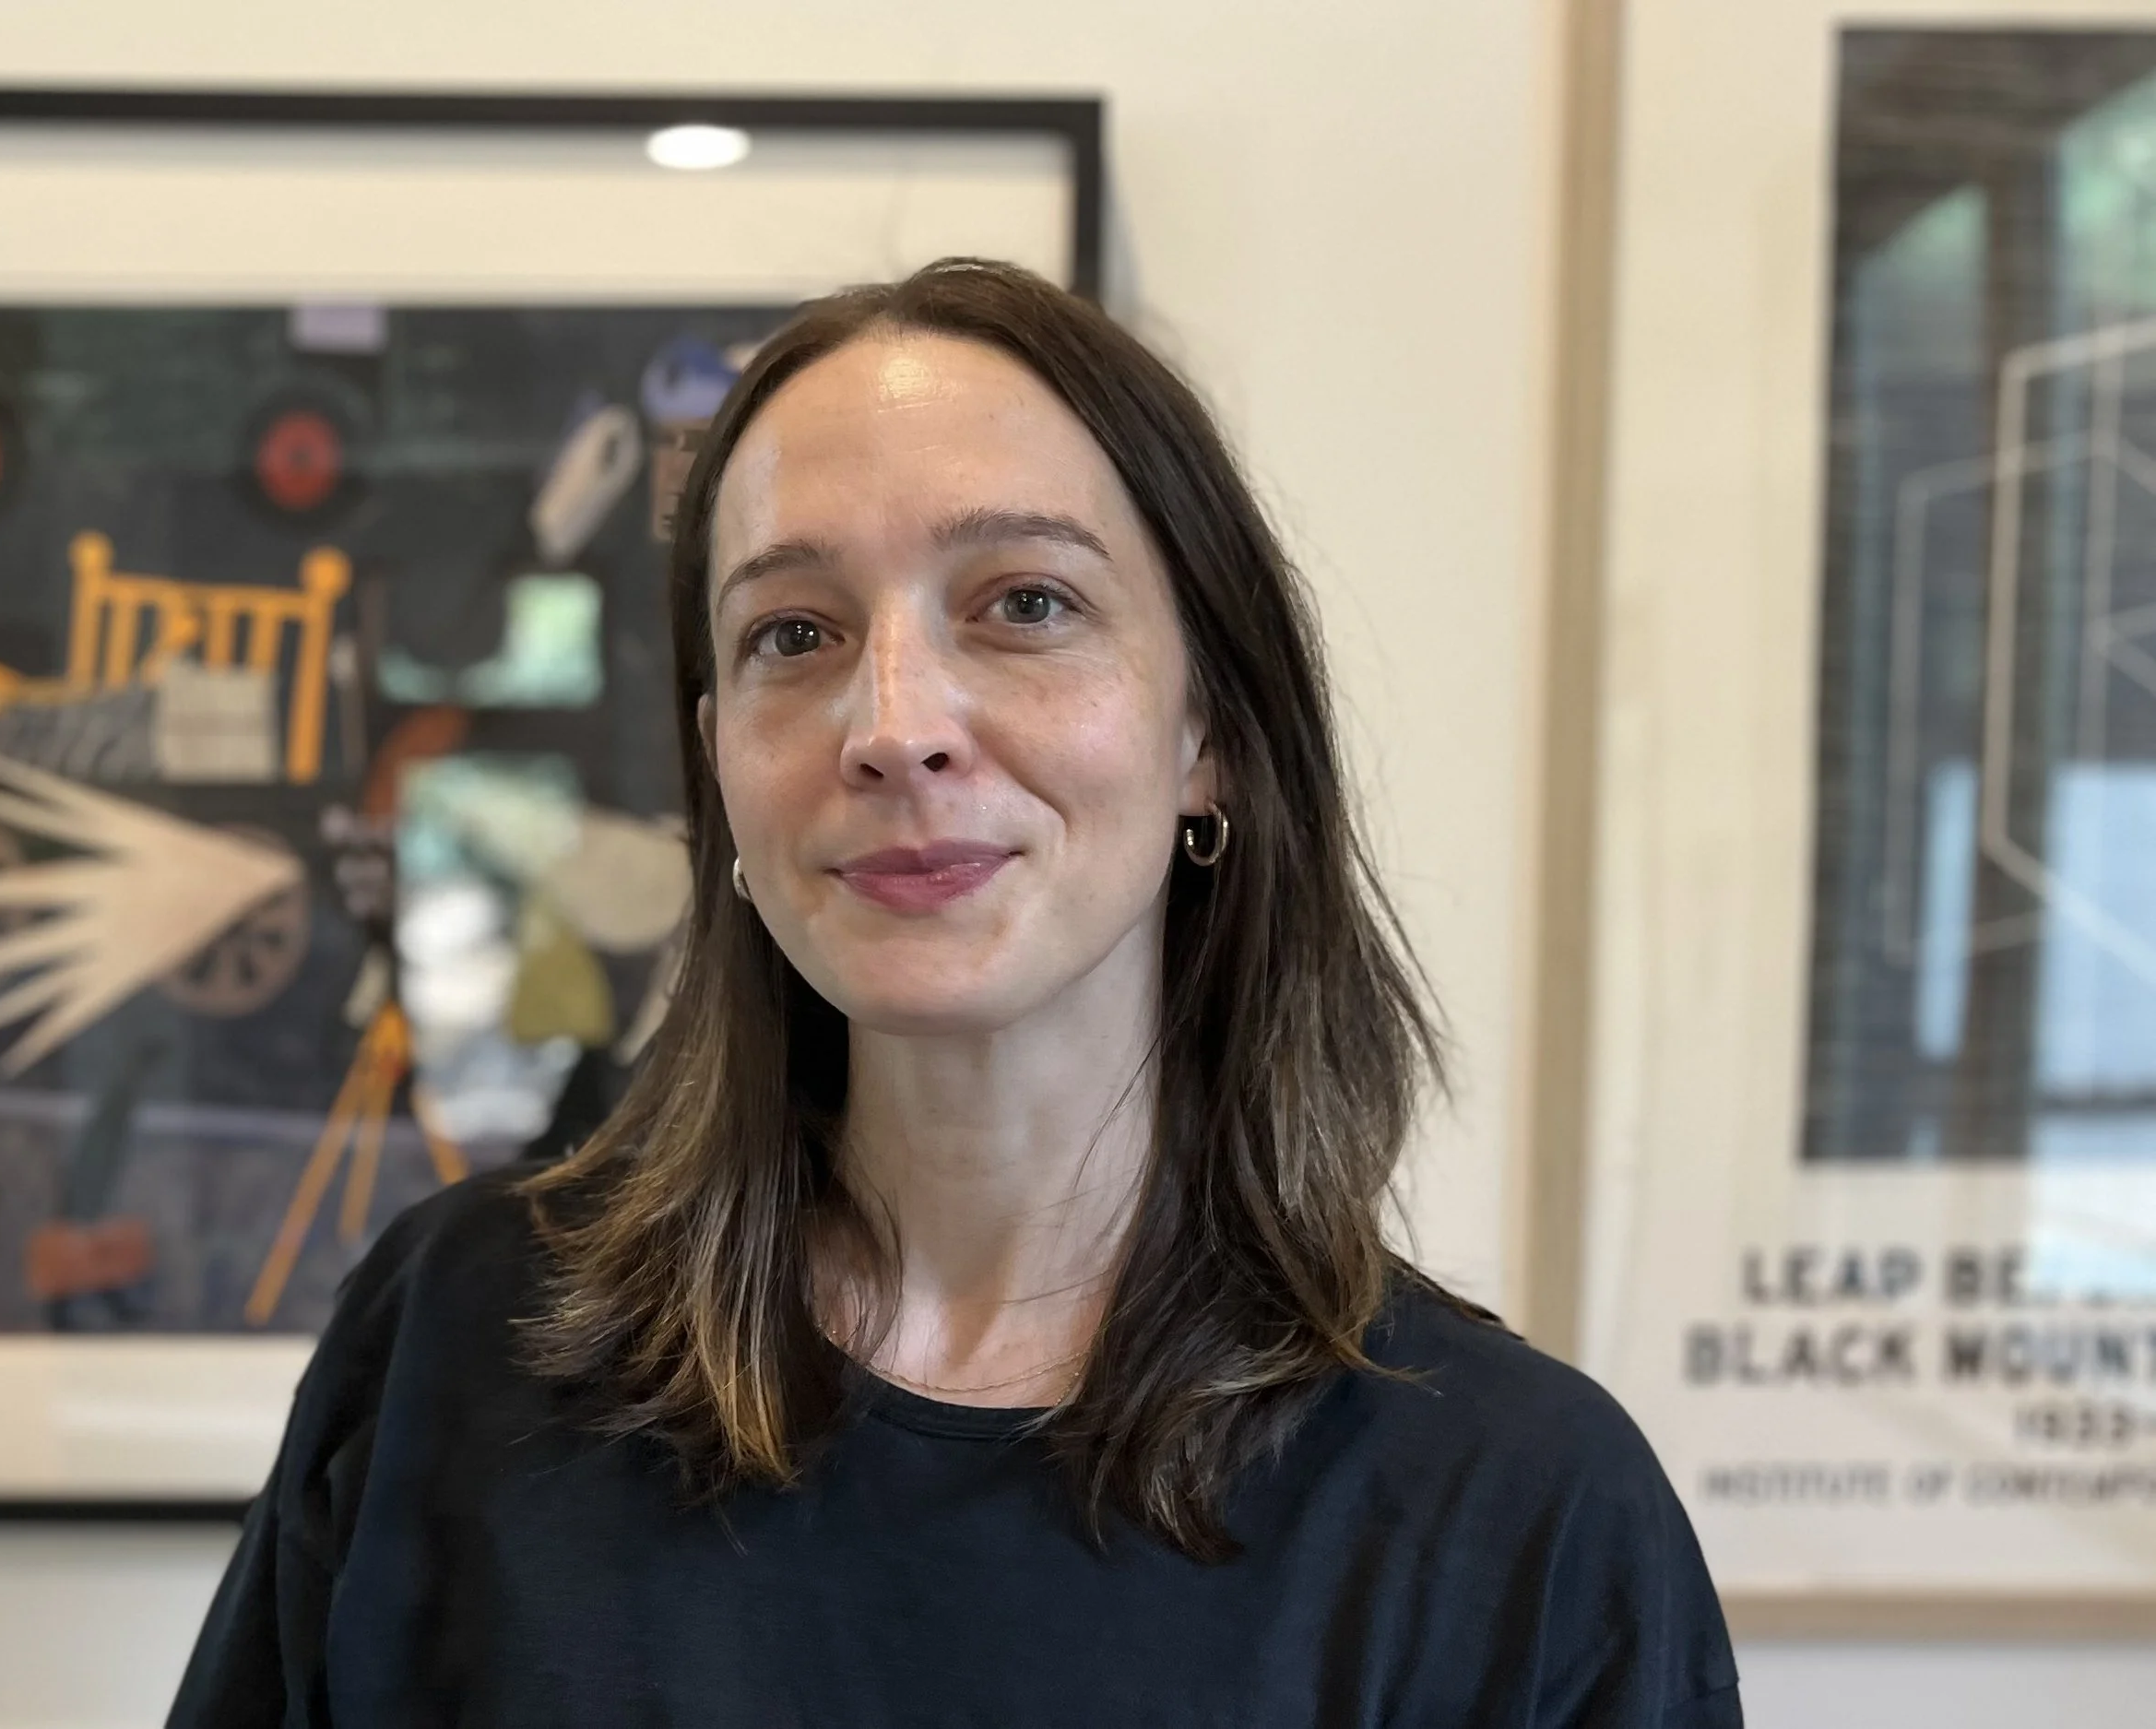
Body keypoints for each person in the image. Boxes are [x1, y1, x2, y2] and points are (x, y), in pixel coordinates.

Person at [172, 258, 1740, 1726]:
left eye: (1026, 604)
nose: (894, 723)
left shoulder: (1519, 1513)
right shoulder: (458, 1340)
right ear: (720, 764)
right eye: (795, 632)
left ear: (1211, 731)